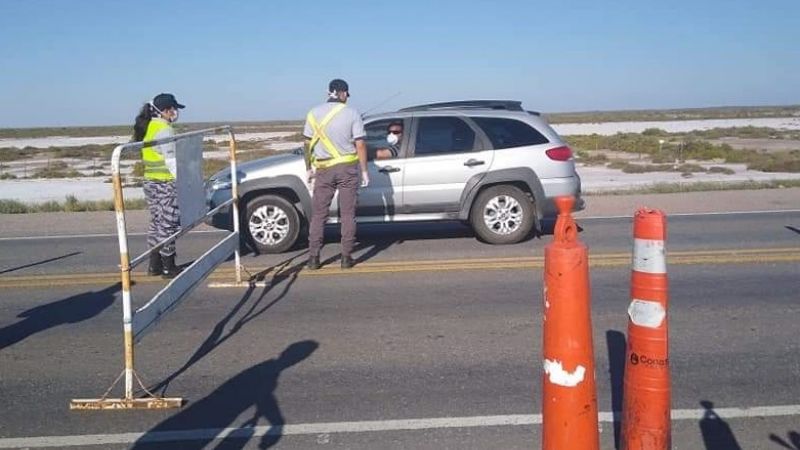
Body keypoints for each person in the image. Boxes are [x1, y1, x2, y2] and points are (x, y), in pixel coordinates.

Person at [303, 79, 368, 270]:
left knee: (319, 215)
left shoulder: (313, 113)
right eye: (347, 93)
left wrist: (308, 168)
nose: (347, 97)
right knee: (348, 214)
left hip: (323, 170)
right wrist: (364, 170)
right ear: (341, 93)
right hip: (347, 168)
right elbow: (360, 144)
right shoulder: (352, 113)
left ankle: (313, 258)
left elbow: (306, 144)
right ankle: (346, 258)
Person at [132, 93, 185, 278]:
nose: (176, 112)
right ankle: (168, 266)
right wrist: (183, 182)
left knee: (156, 222)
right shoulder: (164, 128)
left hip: (150, 181)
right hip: (165, 183)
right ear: (166, 110)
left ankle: (154, 265)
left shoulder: (149, 126)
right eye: (174, 109)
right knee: (169, 223)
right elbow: (170, 160)